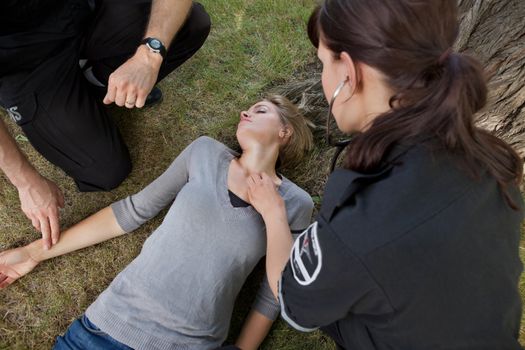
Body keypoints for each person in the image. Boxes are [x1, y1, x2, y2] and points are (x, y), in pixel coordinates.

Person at [246, 1, 525, 349]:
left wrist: (273, 212)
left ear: (348, 72)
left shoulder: (359, 225)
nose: (322, 77)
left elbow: (292, 300)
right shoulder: (490, 158)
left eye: (323, 63)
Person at [0, 95, 314, 350]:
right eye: (248, 109)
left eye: (259, 110)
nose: (245, 112)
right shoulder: (206, 153)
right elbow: (132, 211)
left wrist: (273, 212)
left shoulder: (295, 203)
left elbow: (275, 292)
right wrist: (32, 253)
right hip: (102, 332)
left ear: (284, 132)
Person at [0, 0, 210, 249]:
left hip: (80, 10)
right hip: (23, 63)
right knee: (105, 170)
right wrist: (26, 182)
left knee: (192, 22)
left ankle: (98, 81)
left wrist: (149, 55)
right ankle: (74, 95)